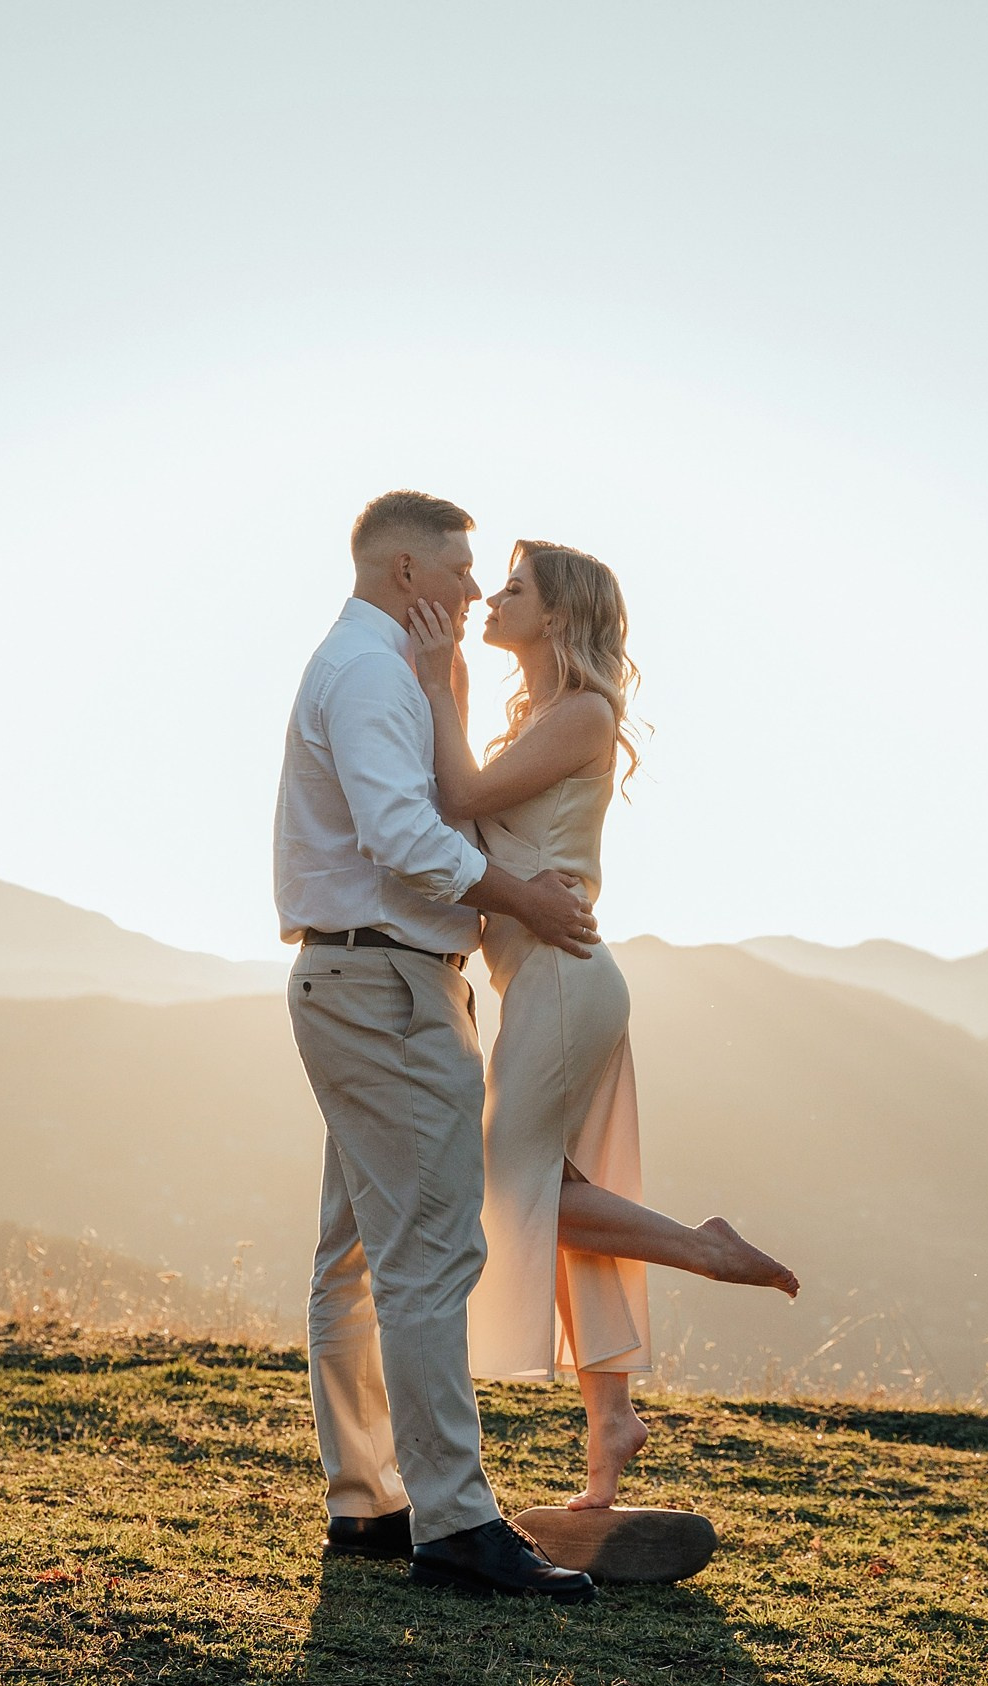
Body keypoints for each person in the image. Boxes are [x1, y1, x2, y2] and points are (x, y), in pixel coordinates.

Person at [404, 538, 800, 1510]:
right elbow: (467, 805)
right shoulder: (538, 719)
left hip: (565, 979)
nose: (492, 597)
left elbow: (457, 797)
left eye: (513, 587)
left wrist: (437, 676)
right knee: (570, 1198)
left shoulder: (584, 713)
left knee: (513, 1185)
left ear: (558, 613)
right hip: (546, 980)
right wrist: (449, 680)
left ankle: (703, 1246)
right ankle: (612, 1418)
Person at [274, 490, 601, 1603]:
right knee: (427, 1252)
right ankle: (455, 1520)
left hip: (359, 978)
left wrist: (447, 684)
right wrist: (525, 897)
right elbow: (404, 835)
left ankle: (367, 1501)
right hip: (387, 987)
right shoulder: (370, 673)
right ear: (406, 570)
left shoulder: (376, 665)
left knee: (357, 1255)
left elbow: (427, 810)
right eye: (460, 569)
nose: (471, 588)